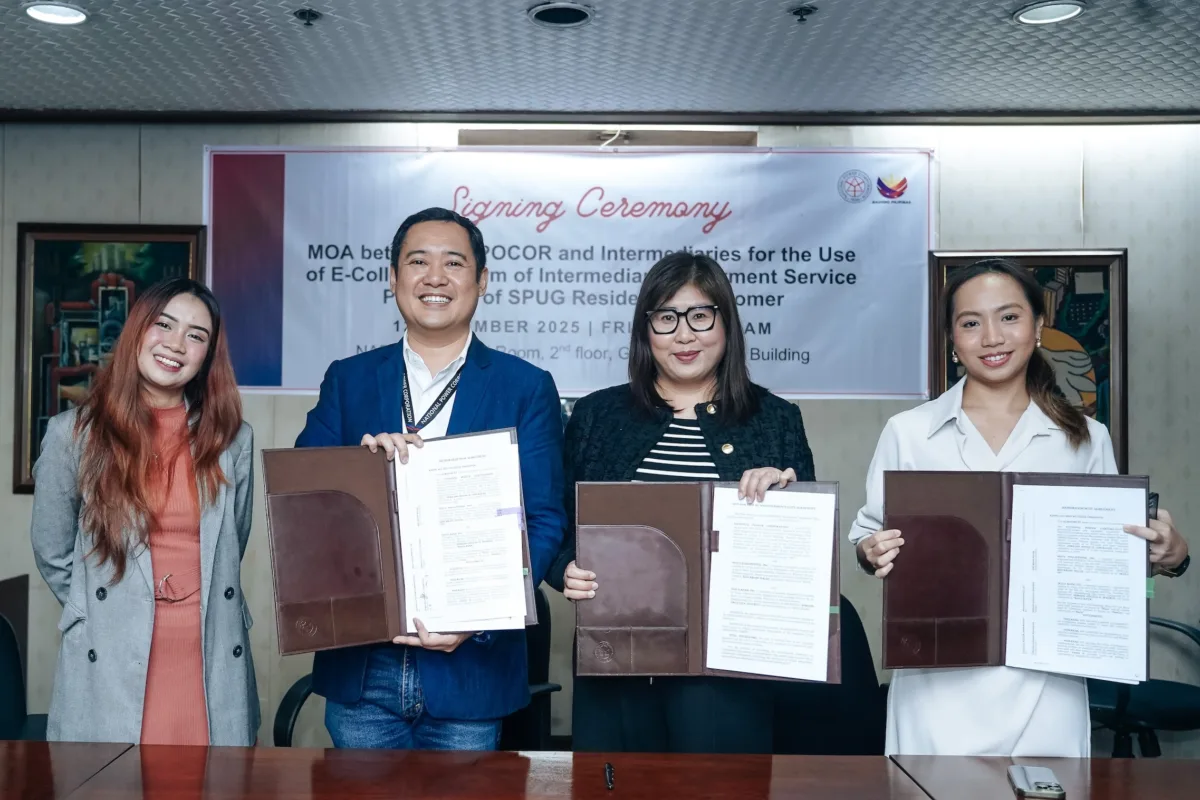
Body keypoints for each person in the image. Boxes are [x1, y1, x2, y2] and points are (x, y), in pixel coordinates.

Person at [850, 257, 1190, 758]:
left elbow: (1110, 558)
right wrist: (870, 550)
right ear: (951, 339)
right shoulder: (909, 432)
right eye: (970, 322)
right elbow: (866, 537)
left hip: (1046, 684)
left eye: (1009, 316)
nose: (992, 337)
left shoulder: (1085, 438)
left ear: (1038, 325)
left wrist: (1168, 555)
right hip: (936, 683)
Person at [295, 207, 567, 751]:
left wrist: (478, 618)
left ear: (481, 280)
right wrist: (359, 464)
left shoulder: (525, 387)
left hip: (471, 668)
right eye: (417, 262)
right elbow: (302, 498)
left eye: (454, 263)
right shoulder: (348, 380)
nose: (435, 278)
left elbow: (543, 520)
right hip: (363, 663)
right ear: (393, 279)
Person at [545, 251, 816, 753]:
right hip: (617, 659)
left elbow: (803, 561)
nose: (684, 335)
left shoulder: (775, 419)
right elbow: (555, 519)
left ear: (726, 323)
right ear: (646, 329)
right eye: (667, 318)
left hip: (730, 666)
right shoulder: (599, 415)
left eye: (700, 315)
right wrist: (565, 568)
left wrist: (784, 501)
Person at [31, 278, 258, 746]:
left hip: (208, 652)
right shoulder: (72, 436)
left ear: (207, 356)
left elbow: (231, 540)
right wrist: (104, 611)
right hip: (111, 649)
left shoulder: (233, 440)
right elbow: (52, 551)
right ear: (137, 329)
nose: (176, 345)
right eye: (164, 325)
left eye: (196, 335)